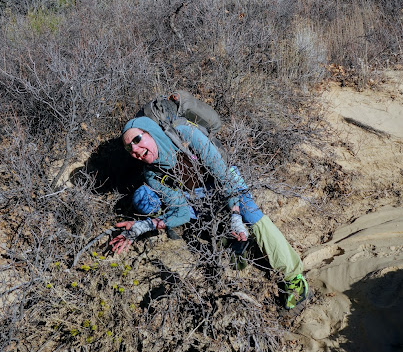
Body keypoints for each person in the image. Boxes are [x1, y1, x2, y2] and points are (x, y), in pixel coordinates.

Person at [110, 116, 309, 310]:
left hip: (224, 180)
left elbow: (224, 176)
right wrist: (144, 225)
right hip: (198, 196)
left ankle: (294, 277)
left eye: (137, 139)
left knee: (251, 215)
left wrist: (235, 214)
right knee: (217, 236)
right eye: (129, 148)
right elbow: (181, 213)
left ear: (151, 132)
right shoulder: (152, 174)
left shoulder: (185, 135)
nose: (135, 149)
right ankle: (238, 242)